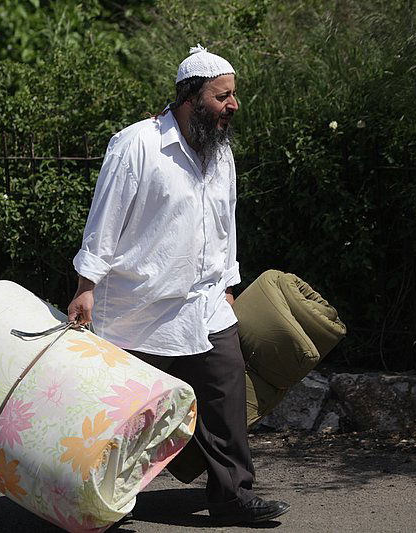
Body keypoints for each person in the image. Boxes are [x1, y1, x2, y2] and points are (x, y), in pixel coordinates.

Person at [67, 45, 289, 525]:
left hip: (205, 304)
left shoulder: (221, 153)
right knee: (128, 417)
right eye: (222, 96)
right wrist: (86, 285)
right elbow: (104, 220)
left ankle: (232, 496)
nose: (233, 105)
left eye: (233, 95)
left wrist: (227, 283)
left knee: (225, 395)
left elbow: (225, 224)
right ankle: (102, 502)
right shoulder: (136, 145)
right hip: (139, 308)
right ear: (190, 97)